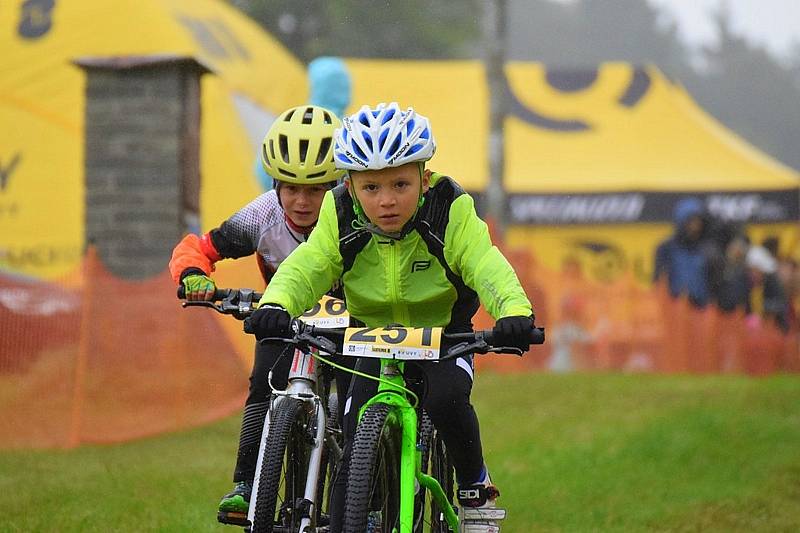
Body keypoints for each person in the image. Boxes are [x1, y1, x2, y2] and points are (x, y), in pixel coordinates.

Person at [247, 102, 537, 532]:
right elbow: (310, 265)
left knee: (444, 399)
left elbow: (484, 264)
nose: (386, 201)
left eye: (400, 183)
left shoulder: (448, 207)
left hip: (443, 332)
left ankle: (476, 491)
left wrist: (514, 311)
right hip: (372, 335)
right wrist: (275, 305)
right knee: (353, 445)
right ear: (349, 184)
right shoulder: (340, 212)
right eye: (371, 188)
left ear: (423, 177)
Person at [168, 105, 352, 525]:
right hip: (283, 319)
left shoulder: (355, 214)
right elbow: (199, 247)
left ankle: (368, 498)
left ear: (339, 185)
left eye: (316, 190)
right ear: (275, 184)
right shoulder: (263, 214)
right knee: (264, 383)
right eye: (290, 188)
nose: (301, 201)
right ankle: (246, 486)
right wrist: (195, 275)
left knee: (355, 404)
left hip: (352, 325)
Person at [653, 197, 714, 307]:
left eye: (698, 222)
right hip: (673, 307)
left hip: (700, 309)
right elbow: (658, 280)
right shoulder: (666, 248)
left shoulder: (707, 248)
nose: (695, 227)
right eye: (691, 222)